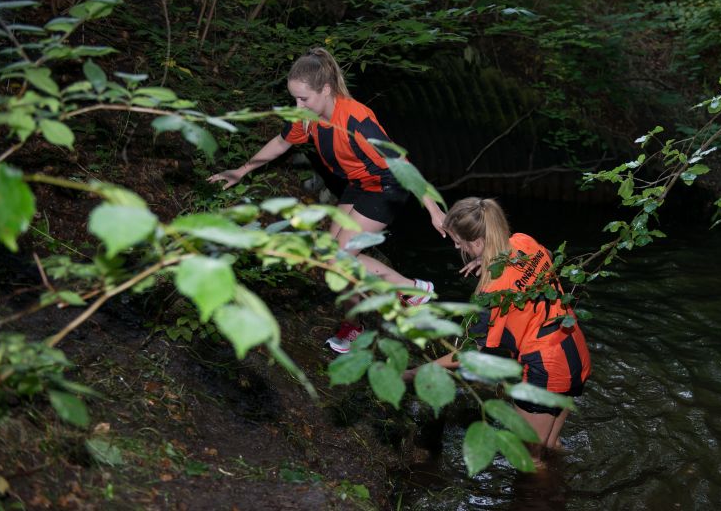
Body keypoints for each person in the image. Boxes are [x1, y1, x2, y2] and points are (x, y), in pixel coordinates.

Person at [208, 48, 446, 353]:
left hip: (387, 186)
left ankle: (411, 290)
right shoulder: (308, 117)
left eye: (303, 99)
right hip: (359, 184)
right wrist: (240, 171)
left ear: (326, 90)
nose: (298, 105)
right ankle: (355, 325)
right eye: (294, 98)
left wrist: (434, 210)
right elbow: (281, 142)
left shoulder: (357, 121)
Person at [402, 197, 590, 456]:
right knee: (550, 445)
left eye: (459, 242)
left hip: (546, 370)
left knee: (530, 458)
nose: (459, 247)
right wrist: (488, 260)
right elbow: (545, 255)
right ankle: (570, 482)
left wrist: (414, 374)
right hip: (574, 349)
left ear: (477, 243)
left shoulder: (491, 294)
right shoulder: (523, 241)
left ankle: (542, 497)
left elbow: (469, 356)